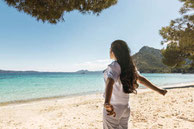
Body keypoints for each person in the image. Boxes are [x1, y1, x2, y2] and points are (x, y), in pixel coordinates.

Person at [103, 40, 167, 129]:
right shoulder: (129, 66)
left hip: (113, 108)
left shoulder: (114, 65)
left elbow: (110, 82)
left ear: (113, 51)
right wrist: (159, 90)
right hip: (125, 108)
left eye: (110, 49)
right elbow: (141, 79)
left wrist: (107, 103)